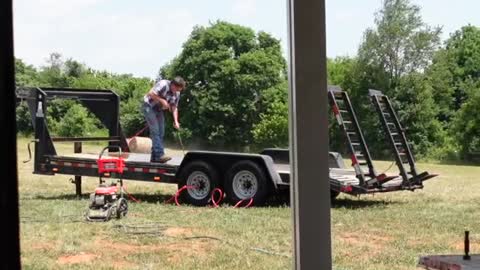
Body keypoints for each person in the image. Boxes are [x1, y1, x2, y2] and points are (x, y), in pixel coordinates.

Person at [142, 76, 185, 163]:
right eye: (177, 89)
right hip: (149, 106)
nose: (177, 92)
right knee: (155, 131)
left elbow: (174, 107)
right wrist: (162, 101)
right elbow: (150, 93)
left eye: (179, 90)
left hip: (158, 109)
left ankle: (154, 157)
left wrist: (176, 121)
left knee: (161, 132)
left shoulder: (177, 93)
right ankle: (160, 155)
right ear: (173, 85)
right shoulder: (163, 84)